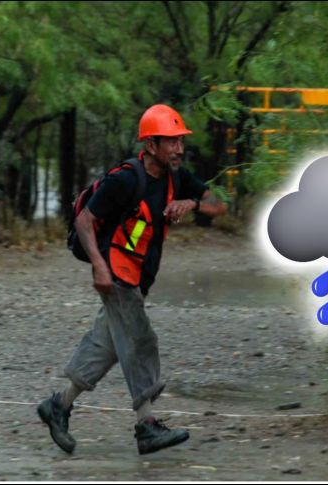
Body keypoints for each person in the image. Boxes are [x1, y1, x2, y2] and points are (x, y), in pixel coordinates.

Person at [37, 104, 227, 455]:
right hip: (116, 273)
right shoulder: (125, 178)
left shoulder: (176, 177)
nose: (179, 149)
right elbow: (84, 221)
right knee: (140, 340)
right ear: (151, 145)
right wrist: (99, 266)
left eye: (180, 141)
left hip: (139, 278)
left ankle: (58, 406)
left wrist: (192, 204)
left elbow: (219, 205)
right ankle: (146, 425)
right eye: (171, 142)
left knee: (107, 345)